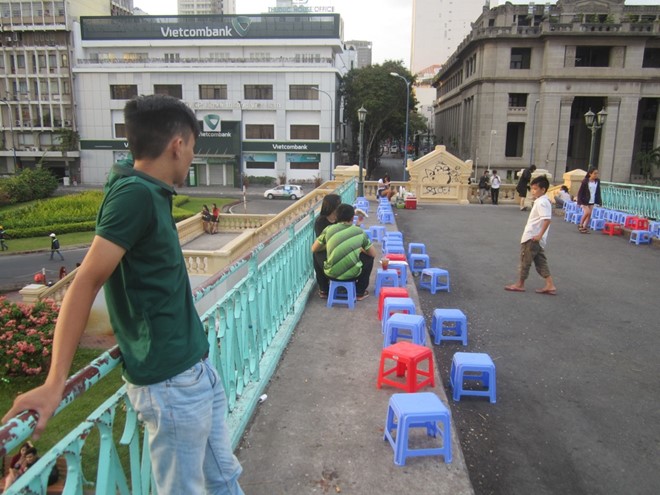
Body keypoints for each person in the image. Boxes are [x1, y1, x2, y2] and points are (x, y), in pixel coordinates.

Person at [1, 95, 244, 495]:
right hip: (170, 383)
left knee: (223, 478)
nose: (191, 158)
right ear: (178, 145)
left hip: (193, 371)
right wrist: (55, 380)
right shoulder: (134, 196)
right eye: (194, 148)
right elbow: (85, 282)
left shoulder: (150, 192)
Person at [312, 203, 377, 301]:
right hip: (353, 275)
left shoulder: (328, 230)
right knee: (369, 258)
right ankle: (360, 292)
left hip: (331, 274)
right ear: (352, 217)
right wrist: (360, 249)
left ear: (337, 216)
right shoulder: (359, 232)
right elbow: (373, 254)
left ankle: (324, 290)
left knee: (316, 254)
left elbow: (314, 248)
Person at [505, 175, 557, 295]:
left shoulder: (541, 202)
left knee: (525, 260)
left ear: (543, 189)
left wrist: (538, 235)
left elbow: (547, 220)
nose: (532, 191)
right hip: (537, 238)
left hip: (532, 237)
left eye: (535, 189)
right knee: (540, 261)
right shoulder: (543, 201)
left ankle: (520, 284)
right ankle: (550, 284)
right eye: (532, 188)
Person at [313, 193, 341, 299]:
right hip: (328, 249)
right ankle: (323, 288)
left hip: (340, 249)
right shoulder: (320, 221)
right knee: (317, 254)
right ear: (331, 206)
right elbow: (321, 241)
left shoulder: (340, 219)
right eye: (338, 204)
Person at [577, 167, 601, 234]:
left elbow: (598, 191)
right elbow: (580, 192)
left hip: (592, 200)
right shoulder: (585, 181)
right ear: (590, 174)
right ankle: (580, 224)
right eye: (594, 173)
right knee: (587, 212)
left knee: (589, 214)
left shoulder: (597, 181)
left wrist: (599, 201)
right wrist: (579, 201)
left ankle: (585, 227)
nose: (596, 175)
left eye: (597, 173)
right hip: (584, 200)